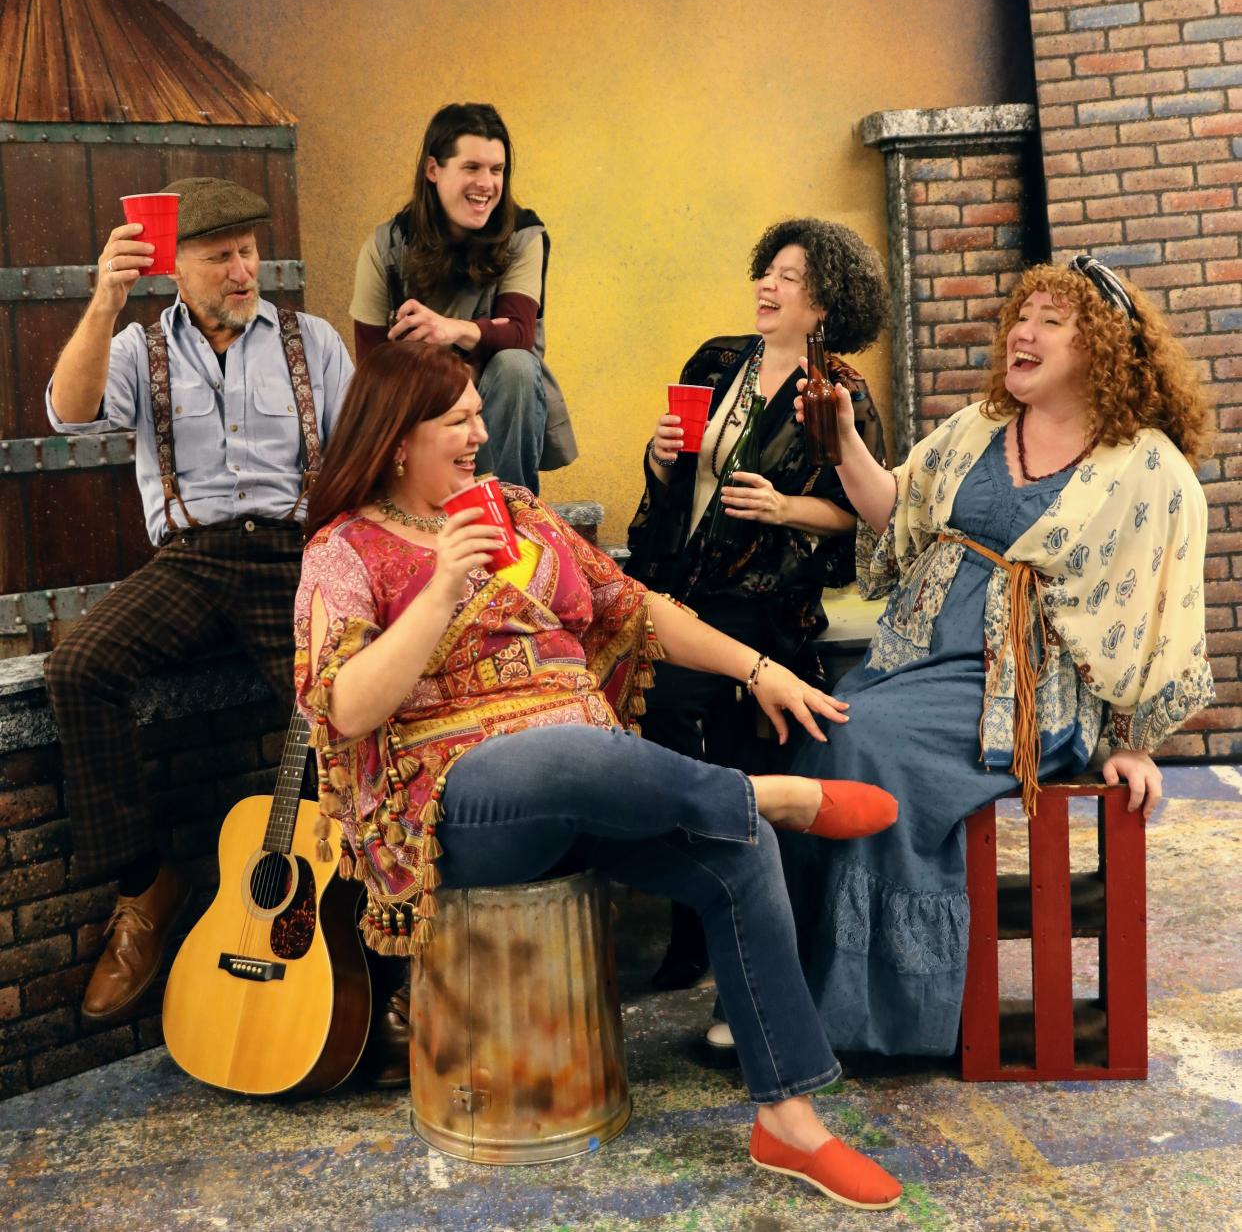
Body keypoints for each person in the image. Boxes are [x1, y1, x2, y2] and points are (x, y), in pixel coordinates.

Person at [294, 339, 904, 1210]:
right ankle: (768, 793)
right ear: (396, 438)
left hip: (589, 781)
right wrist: (437, 590)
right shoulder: (343, 550)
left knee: (738, 855)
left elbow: (634, 609)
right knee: (577, 753)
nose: (478, 429)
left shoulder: (515, 508)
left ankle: (790, 1119)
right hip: (456, 807)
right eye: (456, 418)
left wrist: (761, 671)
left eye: (477, 412)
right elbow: (346, 707)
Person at [778, 257, 1214, 1057]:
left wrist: (1134, 746)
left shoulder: (1148, 469)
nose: (1024, 330)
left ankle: (873, 1020)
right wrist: (841, 442)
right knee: (822, 733)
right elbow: (894, 518)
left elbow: (1158, 617)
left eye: (1052, 319)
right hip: (918, 660)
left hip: (1027, 696)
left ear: (1104, 345)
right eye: (1022, 315)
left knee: (863, 743)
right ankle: (799, 991)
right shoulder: (976, 428)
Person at [42, 177, 354, 1030]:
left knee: (345, 712)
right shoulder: (139, 349)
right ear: (173, 265)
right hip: (189, 561)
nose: (242, 268)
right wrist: (104, 301)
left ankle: (365, 941)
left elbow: (363, 452)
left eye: (248, 250)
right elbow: (69, 414)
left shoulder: (311, 342)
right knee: (77, 666)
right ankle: (145, 887)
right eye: (220, 256)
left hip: (294, 556)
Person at [625, 218, 888, 992]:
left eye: (791, 277)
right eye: (766, 269)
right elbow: (671, 484)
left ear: (825, 305)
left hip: (762, 600)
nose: (768, 285)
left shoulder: (839, 396)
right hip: (684, 583)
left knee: (694, 722)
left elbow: (861, 519)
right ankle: (694, 923)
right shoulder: (714, 360)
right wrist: (657, 454)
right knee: (660, 720)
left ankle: (727, 930)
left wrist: (783, 510)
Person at [349, 101, 576, 493]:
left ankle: (512, 514)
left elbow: (520, 334)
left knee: (516, 367)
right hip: (421, 419)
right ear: (433, 169)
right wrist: (461, 359)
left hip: (496, 414)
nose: (487, 184)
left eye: (497, 169)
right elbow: (372, 365)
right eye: (472, 167)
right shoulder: (385, 246)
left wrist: (447, 331)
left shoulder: (524, 236)